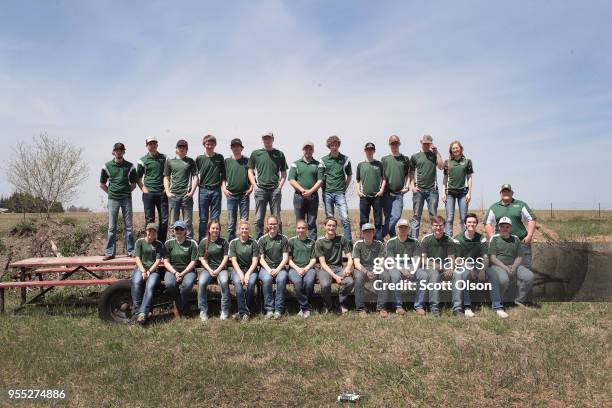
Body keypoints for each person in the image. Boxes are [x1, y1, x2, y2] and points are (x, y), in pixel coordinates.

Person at [487, 216, 534, 315]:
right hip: (498, 266)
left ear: (510, 227)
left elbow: (519, 256)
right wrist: (505, 268)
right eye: (502, 226)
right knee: (504, 280)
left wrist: (514, 267)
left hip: (513, 265)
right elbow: (493, 258)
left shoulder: (515, 239)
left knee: (528, 276)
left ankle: (518, 301)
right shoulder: (494, 239)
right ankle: (499, 302)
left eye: (507, 226)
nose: (504, 228)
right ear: (499, 227)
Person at [100, 142, 137, 260]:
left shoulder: (130, 166)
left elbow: (134, 184)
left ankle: (131, 251)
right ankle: (110, 252)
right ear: (113, 152)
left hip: (126, 199)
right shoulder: (106, 166)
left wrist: (126, 192)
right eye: (117, 150)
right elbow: (102, 184)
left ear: (124, 152)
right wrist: (111, 193)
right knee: (112, 227)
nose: (119, 152)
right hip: (113, 200)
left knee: (129, 226)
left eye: (121, 150)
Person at [485, 184, 537, 268]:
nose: (506, 193)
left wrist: (529, 235)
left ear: (512, 193)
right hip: (500, 245)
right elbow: (487, 223)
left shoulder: (521, 204)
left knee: (525, 271)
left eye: (508, 191)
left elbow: (531, 219)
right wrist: (492, 238)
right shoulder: (494, 207)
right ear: (500, 193)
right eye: (504, 191)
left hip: (521, 243)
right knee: (501, 272)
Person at [248, 132, 288, 239]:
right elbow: (250, 171)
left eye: (269, 138)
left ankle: (279, 241)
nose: (267, 140)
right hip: (260, 189)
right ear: (263, 140)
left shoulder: (279, 154)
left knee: (276, 218)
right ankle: (258, 242)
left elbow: (284, 173)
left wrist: (280, 187)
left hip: (275, 189)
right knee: (259, 218)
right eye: (265, 138)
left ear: (273, 139)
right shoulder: (256, 153)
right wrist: (255, 186)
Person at [384, 218, 428, 315]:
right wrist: (404, 271)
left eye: (405, 227)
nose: (403, 230)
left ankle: (419, 305)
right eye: (401, 227)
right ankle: (398, 305)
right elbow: (391, 261)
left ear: (409, 229)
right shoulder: (391, 242)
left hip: (412, 266)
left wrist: (411, 272)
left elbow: (417, 259)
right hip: (396, 266)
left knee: (424, 275)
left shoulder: (415, 241)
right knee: (395, 277)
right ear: (396, 229)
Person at [420, 216, 462, 317]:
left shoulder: (449, 239)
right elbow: (423, 259)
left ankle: (457, 307)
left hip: (445, 266)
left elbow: (451, 257)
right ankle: (434, 307)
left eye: (440, 226)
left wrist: (451, 268)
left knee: (457, 275)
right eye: (435, 226)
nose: (438, 228)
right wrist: (434, 264)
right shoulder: (426, 239)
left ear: (444, 226)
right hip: (430, 266)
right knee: (434, 275)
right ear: (432, 226)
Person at [315, 217, 354, 314]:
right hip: (325, 269)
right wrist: (335, 276)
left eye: (333, 226)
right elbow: (323, 264)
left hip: (339, 268)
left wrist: (348, 267)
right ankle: (328, 305)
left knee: (349, 282)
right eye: (329, 225)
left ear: (336, 227)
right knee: (325, 285)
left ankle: (339, 302)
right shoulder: (319, 242)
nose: (331, 228)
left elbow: (350, 258)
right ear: (324, 226)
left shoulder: (341, 239)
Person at [453, 213, 488, 317]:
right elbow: (458, 260)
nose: (471, 224)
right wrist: (470, 268)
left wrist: (483, 269)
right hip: (464, 264)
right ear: (465, 223)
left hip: (478, 264)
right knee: (465, 275)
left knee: (491, 274)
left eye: (473, 222)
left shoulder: (481, 238)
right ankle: (467, 306)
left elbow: (486, 257)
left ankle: (496, 304)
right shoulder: (457, 239)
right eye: (469, 222)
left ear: (476, 224)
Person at [409, 134, 444, 239]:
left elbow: (441, 166)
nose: (426, 145)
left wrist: (436, 151)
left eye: (428, 144)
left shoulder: (434, 155)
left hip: (432, 190)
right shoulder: (415, 156)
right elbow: (411, 172)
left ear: (431, 144)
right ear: (421, 142)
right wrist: (412, 186)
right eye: (424, 143)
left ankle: (432, 241)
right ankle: (414, 241)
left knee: (433, 217)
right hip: (418, 190)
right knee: (416, 217)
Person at [288, 141, 324, 241]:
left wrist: (310, 191)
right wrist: (303, 191)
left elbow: (320, 180)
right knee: (300, 222)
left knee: (311, 222)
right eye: (306, 149)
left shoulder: (318, 164)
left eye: (310, 149)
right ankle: (299, 244)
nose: (308, 151)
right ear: (302, 150)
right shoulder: (296, 164)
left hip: (313, 196)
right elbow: (291, 179)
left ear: (313, 150)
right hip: (299, 196)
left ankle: (312, 245)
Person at [320, 135, 353, 242]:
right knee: (330, 221)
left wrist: (344, 189)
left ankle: (348, 243)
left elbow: (349, 176)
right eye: (331, 145)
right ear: (328, 146)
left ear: (338, 145)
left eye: (336, 145)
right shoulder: (323, 160)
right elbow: (320, 179)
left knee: (345, 219)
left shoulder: (345, 159)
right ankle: (331, 242)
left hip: (340, 194)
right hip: (327, 193)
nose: (334, 147)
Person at [131, 223, 165, 325]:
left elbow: (158, 260)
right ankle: (138, 312)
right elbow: (137, 258)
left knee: (150, 287)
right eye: (149, 230)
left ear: (156, 233)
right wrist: (143, 271)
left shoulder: (159, 244)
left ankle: (142, 313)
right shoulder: (140, 242)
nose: (151, 232)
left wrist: (149, 272)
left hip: (154, 270)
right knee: (136, 282)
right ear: (146, 231)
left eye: (154, 231)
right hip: (141, 268)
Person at [163, 140, 198, 240]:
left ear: (187, 149)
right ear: (176, 149)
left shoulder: (191, 161)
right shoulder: (170, 161)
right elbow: (166, 177)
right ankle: (171, 245)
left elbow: (195, 177)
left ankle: (190, 244)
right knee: (173, 223)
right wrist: (168, 192)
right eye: (180, 147)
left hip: (186, 196)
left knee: (188, 223)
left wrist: (192, 192)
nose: (182, 149)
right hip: (173, 196)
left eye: (184, 147)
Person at [163, 220, 199, 316]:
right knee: (169, 284)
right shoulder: (168, 243)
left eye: (181, 229)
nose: (179, 231)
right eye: (177, 228)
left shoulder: (192, 243)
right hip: (172, 270)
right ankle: (181, 304)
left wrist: (182, 274)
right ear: (173, 231)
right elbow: (166, 261)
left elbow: (193, 261)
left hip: (188, 270)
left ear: (185, 230)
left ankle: (178, 306)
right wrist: (175, 273)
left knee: (186, 285)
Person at [137, 136, 169, 242]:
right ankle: (150, 242)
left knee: (164, 219)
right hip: (149, 194)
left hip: (162, 193)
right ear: (147, 146)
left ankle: (161, 243)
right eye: (150, 144)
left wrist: (166, 188)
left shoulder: (164, 158)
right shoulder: (142, 160)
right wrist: (145, 190)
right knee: (150, 220)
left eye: (154, 143)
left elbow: (169, 174)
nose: (152, 146)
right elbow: (138, 178)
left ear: (157, 145)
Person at [257, 215, 289, 319]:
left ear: (278, 225)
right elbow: (261, 259)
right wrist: (269, 270)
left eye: (274, 224)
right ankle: (269, 309)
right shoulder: (262, 240)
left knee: (281, 279)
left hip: (280, 267)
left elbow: (285, 258)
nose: (272, 226)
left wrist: (278, 269)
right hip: (266, 268)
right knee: (267, 279)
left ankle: (279, 309)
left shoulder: (283, 239)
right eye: (270, 224)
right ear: (267, 225)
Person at [197, 220, 230, 322]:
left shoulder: (224, 242)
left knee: (224, 282)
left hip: (222, 269)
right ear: (209, 229)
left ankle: (224, 309)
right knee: (201, 282)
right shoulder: (203, 242)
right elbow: (201, 258)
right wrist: (210, 270)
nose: (215, 230)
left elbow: (225, 258)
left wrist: (218, 269)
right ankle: (203, 310)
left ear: (219, 230)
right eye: (213, 228)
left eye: (217, 228)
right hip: (208, 269)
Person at [229, 220, 261, 322]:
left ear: (249, 230)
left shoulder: (254, 243)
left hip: (251, 270)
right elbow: (233, 260)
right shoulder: (233, 243)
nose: (244, 230)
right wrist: (240, 274)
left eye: (246, 228)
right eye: (242, 228)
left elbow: (255, 261)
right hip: (238, 269)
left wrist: (247, 274)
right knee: (238, 285)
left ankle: (242, 311)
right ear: (239, 230)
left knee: (251, 284)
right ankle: (245, 313)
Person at [196, 135, 226, 242]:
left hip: (216, 190)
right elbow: (195, 175)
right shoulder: (199, 158)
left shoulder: (219, 158)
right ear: (204, 145)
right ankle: (202, 242)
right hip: (203, 190)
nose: (209, 146)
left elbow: (223, 175)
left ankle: (215, 241)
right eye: (207, 144)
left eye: (212, 144)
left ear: (215, 145)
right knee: (203, 219)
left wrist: (224, 188)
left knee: (215, 219)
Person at [352, 223, 386, 317]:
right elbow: (357, 263)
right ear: (362, 233)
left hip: (376, 267)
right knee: (358, 277)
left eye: (370, 231)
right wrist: (366, 272)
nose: (368, 233)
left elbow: (381, 261)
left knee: (385, 276)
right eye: (366, 231)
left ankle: (381, 307)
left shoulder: (379, 244)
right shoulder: (358, 244)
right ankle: (361, 308)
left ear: (374, 232)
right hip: (361, 268)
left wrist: (375, 270)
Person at [223, 138, 253, 242]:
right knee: (231, 222)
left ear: (241, 148)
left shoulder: (247, 160)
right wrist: (224, 189)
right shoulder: (227, 161)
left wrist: (251, 188)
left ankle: (244, 243)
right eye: (234, 146)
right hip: (231, 195)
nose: (236, 148)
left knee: (244, 222)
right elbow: (223, 178)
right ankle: (231, 244)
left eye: (238, 146)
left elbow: (252, 176)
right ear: (231, 148)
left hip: (244, 195)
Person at [381, 135, 411, 238]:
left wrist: (407, 186)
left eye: (396, 143)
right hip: (386, 194)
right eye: (392, 143)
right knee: (389, 219)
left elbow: (408, 174)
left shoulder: (405, 159)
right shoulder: (384, 159)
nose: (394, 145)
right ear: (389, 144)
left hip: (399, 194)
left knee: (396, 217)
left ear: (399, 144)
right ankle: (392, 242)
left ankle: (379, 237)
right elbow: (382, 176)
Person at [442, 141, 473, 236]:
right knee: (449, 218)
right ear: (451, 150)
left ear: (461, 148)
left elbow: (469, 177)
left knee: (463, 217)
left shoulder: (467, 161)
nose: (455, 150)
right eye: (453, 148)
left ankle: (464, 238)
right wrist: (443, 192)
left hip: (463, 193)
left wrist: (469, 193)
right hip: (450, 193)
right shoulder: (447, 163)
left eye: (457, 148)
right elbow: (445, 178)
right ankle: (449, 239)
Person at [287, 220, 317, 318]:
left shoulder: (311, 242)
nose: (301, 230)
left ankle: (303, 308)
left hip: (309, 268)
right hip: (294, 268)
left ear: (307, 229)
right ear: (296, 229)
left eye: (303, 228)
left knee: (309, 282)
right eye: (299, 228)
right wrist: (298, 269)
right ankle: (306, 307)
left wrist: (305, 269)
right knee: (297, 282)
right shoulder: (291, 241)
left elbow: (313, 259)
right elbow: (289, 260)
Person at [356, 142, 386, 241]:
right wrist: (358, 191)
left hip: (377, 196)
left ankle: (378, 241)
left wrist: (381, 190)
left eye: (371, 149)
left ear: (374, 151)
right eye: (368, 149)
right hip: (364, 196)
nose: (370, 151)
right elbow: (357, 180)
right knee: (364, 220)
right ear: (365, 151)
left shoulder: (379, 164)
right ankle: (363, 241)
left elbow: (384, 178)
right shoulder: (361, 165)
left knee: (378, 221)